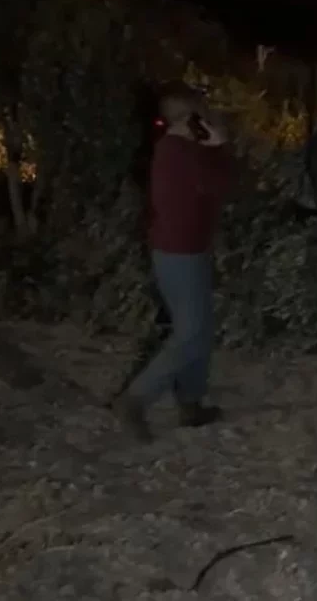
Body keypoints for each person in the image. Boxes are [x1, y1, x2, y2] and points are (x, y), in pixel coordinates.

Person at [114, 81, 234, 442]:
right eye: (203, 110)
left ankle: (191, 404)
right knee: (191, 332)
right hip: (179, 252)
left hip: (187, 248)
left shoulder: (181, 149)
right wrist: (220, 146)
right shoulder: (177, 152)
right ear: (191, 116)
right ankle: (134, 400)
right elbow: (221, 186)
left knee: (200, 329)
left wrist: (212, 149)